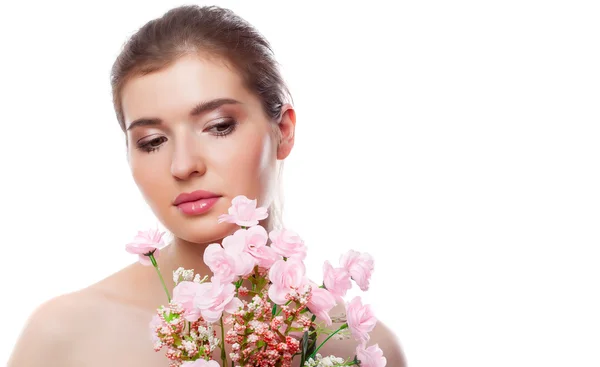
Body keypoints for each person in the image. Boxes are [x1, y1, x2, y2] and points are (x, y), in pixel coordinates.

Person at [8, 5, 406, 366]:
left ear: (282, 131)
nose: (183, 165)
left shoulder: (359, 347)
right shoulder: (64, 337)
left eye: (218, 127)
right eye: (152, 142)